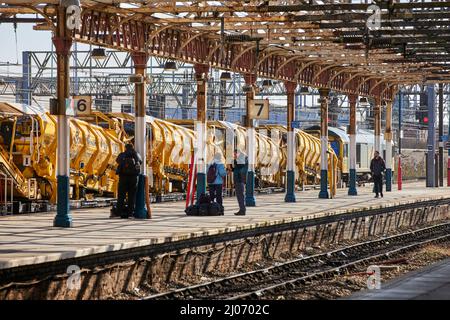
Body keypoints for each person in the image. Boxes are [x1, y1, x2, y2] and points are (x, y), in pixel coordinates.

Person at [115, 143, 142, 218]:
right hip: (133, 178)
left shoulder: (122, 154)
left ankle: (118, 213)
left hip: (123, 178)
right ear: (133, 147)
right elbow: (141, 162)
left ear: (125, 148)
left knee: (121, 196)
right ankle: (130, 213)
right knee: (132, 196)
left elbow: (117, 160)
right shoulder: (136, 155)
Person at [232, 150, 248, 216]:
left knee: (240, 196)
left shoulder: (242, 159)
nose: (234, 156)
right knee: (240, 196)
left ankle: (242, 210)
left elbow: (240, 165)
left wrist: (234, 161)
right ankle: (242, 209)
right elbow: (238, 168)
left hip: (239, 179)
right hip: (239, 179)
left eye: (235, 154)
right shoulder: (241, 159)